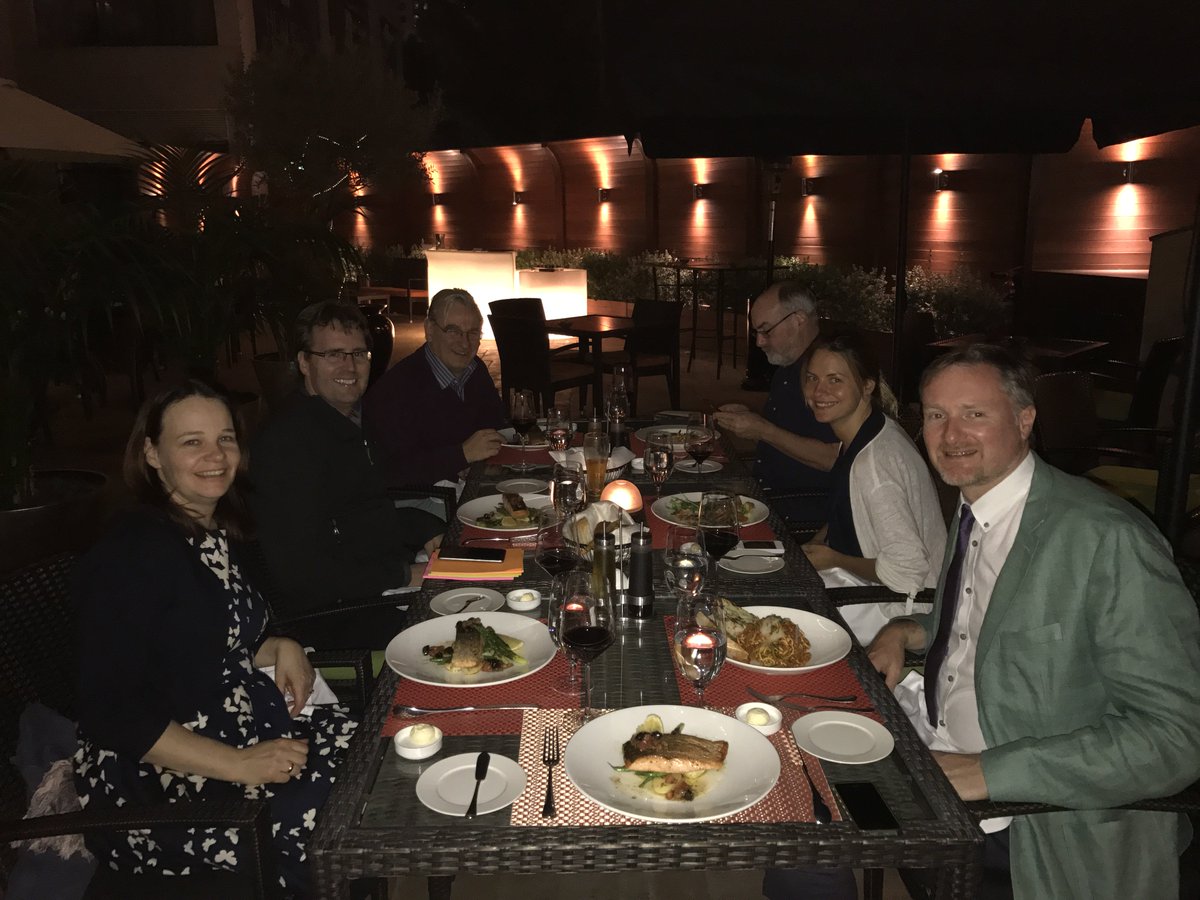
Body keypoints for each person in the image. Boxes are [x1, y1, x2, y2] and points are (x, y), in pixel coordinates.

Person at [863, 343, 1200, 898]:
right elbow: (981, 618)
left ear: (1024, 421)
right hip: (937, 747)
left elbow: (1177, 738)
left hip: (1034, 823)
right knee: (809, 775)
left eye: (975, 413)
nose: (951, 435)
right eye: (937, 414)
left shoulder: (1106, 540)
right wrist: (906, 631)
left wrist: (985, 773)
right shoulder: (976, 506)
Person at [73, 381, 357, 895]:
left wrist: (279, 645)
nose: (216, 455)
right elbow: (110, 712)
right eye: (192, 442)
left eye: (225, 438)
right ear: (152, 454)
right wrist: (240, 764)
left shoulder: (209, 531)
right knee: (333, 813)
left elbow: (202, 637)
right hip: (160, 782)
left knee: (373, 760)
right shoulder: (133, 553)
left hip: (240, 729)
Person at [249, 301, 443, 648]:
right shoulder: (287, 444)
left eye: (357, 354)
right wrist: (403, 574)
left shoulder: (345, 420)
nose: (349, 366)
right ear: (304, 362)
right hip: (339, 620)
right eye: (333, 354)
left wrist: (425, 528)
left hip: (377, 586)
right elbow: (303, 574)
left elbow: (364, 516)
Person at [797, 331, 946, 644]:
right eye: (812, 378)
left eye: (835, 380)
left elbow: (907, 573)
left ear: (867, 386)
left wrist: (834, 559)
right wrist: (819, 541)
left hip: (900, 608)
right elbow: (851, 508)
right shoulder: (871, 431)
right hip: (865, 586)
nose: (819, 391)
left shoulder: (874, 465)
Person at [714, 281, 839, 524]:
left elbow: (835, 458)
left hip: (800, 512)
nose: (759, 342)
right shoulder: (788, 367)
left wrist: (763, 430)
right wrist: (752, 422)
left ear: (798, 319)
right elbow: (788, 434)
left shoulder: (829, 374)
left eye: (766, 331)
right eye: (757, 332)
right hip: (764, 496)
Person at [364, 287, 507, 489]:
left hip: (474, 486)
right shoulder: (395, 390)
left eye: (473, 332)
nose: (465, 343)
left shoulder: (475, 370)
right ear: (429, 330)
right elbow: (392, 471)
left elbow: (496, 424)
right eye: (453, 331)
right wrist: (461, 456)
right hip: (424, 499)